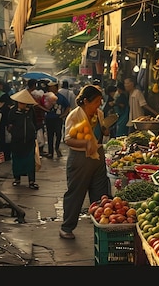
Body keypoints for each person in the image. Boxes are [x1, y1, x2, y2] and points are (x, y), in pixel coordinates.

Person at [60, 85, 111, 239]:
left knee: (100, 194)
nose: (99, 105)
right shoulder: (74, 116)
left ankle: (103, 227)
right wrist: (85, 144)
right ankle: (67, 227)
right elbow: (68, 139)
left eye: (100, 102)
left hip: (98, 157)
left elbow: (102, 133)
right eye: (96, 102)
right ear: (85, 101)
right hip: (80, 158)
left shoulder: (99, 114)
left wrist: (105, 131)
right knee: (76, 193)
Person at [7, 89, 39, 190]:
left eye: (24, 103)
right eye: (21, 103)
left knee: (30, 162)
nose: (22, 105)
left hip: (29, 141)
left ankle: (31, 181)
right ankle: (17, 179)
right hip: (17, 142)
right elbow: (9, 124)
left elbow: (34, 122)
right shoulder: (13, 111)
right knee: (16, 161)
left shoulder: (31, 111)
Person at [44, 81, 70, 159]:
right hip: (49, 118)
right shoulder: (46, 97)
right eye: (50, 88)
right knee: (50, 136)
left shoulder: (61, 97)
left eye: (52, 87)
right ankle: (50, 152)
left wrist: (63, 115)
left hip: (58, 119)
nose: (51, 89)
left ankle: (57, 147)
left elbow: (68, 106)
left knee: (58, 134)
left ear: (56, 88)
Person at [0, 93, 14, 161]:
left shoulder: (3, 109)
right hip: (7, 128)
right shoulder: (10, 108)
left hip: (3, 128)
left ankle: (3, 156)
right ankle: (7, 156)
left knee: (3, 142)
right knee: (8, 143)